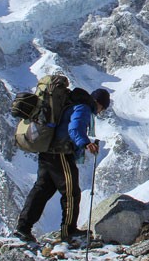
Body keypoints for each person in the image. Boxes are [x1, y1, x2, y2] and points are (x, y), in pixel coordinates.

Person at [12, 87, 111, 244]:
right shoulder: (84, 107)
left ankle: (23, 228)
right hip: (61, 153)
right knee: (71, 192)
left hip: (47, 152)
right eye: (102, 109)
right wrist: (85, 143)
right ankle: (69, 230)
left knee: (42, 190)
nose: (100, 112)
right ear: (98, 104)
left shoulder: (72, 103)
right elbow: (75, 128)